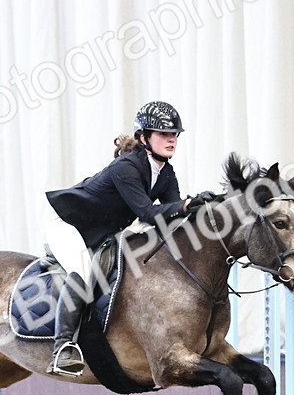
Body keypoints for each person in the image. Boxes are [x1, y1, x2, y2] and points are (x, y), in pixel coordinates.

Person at [43, 101, 220, 376]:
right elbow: (149, 213)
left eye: (174, 134)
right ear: (143, 138)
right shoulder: (126, 167)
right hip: (69, 226)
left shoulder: (166, 172)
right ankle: (62, 348)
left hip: (102, 233)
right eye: (163, 134)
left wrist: (206, 208)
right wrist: (186, 205)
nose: (171, 139)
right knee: (84, 271)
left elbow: (172, 216)